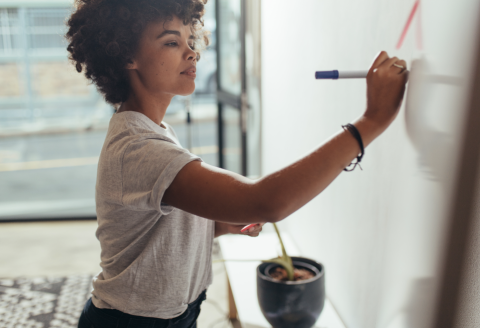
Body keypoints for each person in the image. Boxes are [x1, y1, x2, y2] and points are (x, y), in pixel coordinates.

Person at [67, 0, 408, 327]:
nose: (192, 52)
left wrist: (218, 225)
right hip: (131, 322)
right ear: (126, 55)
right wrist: (372, 120)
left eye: (190, 39)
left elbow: (154, 232)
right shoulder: (138, 149)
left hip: (171, 315)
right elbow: (266, 200)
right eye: (172, 42)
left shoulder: (152, 129)